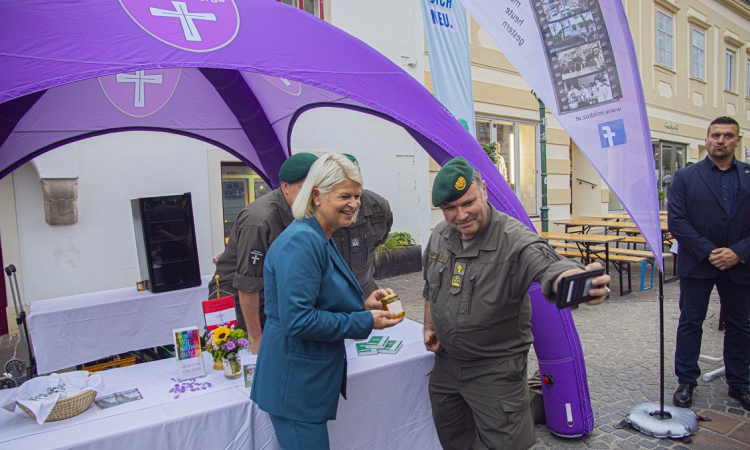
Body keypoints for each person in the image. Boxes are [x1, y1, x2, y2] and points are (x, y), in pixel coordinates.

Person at [422, 157, 611, 450]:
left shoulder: (514, 238)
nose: (461, 215)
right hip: (446, 366)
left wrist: (573, 279)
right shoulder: (441, 236)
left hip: (495, 371)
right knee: (454, 440)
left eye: (468, 203)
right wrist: (430, 324)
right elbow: (430, 285)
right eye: (450, 208)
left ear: (484, 190)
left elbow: (548, 265)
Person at [250, 153, 403, 449]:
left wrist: (364, 304)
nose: (355, 204)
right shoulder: (302, 241)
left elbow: (319, 300)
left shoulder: (319, 235)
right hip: (294, 386)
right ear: (317, 196)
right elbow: (299, 319)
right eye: (345, 195)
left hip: (302, 383)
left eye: (357, 196)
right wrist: (364, 320)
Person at [668, 116, 750, 411]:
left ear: (736, 141)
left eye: (728, 136)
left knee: (741, 325)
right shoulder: (686, 177)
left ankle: (740, 382)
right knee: (691, 322)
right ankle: (687, 380)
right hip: (698, 263)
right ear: (706, 139)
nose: (721, 140)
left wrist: (738, 252)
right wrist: (711, 251)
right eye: (715, 135)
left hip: (740, 266)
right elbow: (677, 221)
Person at [208, 152, 318, 354]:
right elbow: (247, 286)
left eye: (316, 190)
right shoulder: (260, 220)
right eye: (304, 189)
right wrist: (256, 340)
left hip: (270, 298)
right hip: (239, 305)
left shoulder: (303, 211)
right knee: (245, 363)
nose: (311, 197)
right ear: (285, 187)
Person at [332, 154, 393, 299]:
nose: (352, 204)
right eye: (343, 195)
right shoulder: (319, 213)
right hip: (332, 300)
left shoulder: (378, 206)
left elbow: (380, 238)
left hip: (366, 293)